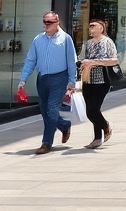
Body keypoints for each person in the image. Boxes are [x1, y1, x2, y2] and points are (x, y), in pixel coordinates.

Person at [17, 11, 78, 155]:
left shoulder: (65, 39)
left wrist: (71, 82)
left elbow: (71, 61)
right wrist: (23, 79)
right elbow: (31, 60)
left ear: (57, 23)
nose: (46, 25)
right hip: (43, 79)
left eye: (49, 22)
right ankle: (64, 125)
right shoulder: (38, 40)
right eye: (44, 22)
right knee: (44, 111)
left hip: (59, 78)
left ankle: (46, 143)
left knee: (51, 109)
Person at [78, 18, 119, 149]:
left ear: (101, 28)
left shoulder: (107, 42)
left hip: (102, 79)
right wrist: (82, 63)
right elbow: (80, 58)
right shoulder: (87, 43)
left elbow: (114, 60)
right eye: (89, 26)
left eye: (93, 26)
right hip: (87, 79)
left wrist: (95, 62)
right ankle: (97, 138)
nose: (90, 28)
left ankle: (106, 125)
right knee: (90, 109)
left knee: (93, 109)